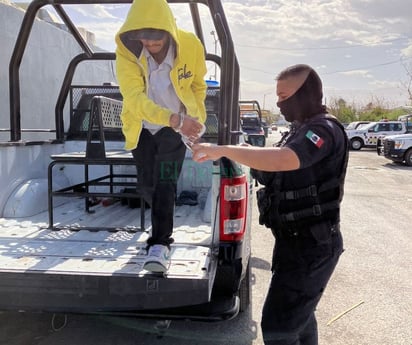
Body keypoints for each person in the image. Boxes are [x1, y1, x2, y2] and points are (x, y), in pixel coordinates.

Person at [192, 64, 349, 345]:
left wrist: (224, 150)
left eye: (284, 95)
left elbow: (284, 160)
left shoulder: (323, 130)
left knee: (279, 327)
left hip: (312, 246)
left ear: (305, 94)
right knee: (299, 317)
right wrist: (244, 152)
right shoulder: (299, 130)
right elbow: (274, 167)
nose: (279, 103)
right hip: (295, 244)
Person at [115, 0, 207, 273]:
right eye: (144, 39)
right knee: (147, 186)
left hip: (174, 129)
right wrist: (173, 118)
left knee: (165, 181)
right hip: (142, 128)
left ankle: (160, 243)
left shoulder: (190, 45)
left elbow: (198, 85)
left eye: (156, 41)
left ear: (168, 31)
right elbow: (133, 98)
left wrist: (192, 121)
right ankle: (160, 221)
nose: (150, 45)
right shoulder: (127, 53)